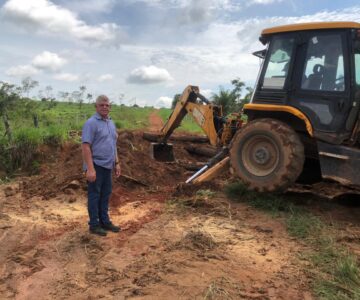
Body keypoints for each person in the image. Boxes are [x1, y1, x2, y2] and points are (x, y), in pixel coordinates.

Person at [81, 95, 121, 236]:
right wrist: (90, 169)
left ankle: (105, 221)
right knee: (94, 195)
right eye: (101, 105)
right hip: (96, 165)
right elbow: (86, 147)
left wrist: (116, 162)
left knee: (105, 195)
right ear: (96, 106)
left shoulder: (110, 123)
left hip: (108, 165)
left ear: (110, 107)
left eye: (107, 105)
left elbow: (113, 144)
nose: (105, 107)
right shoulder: (91, 123)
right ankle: (94, 224)